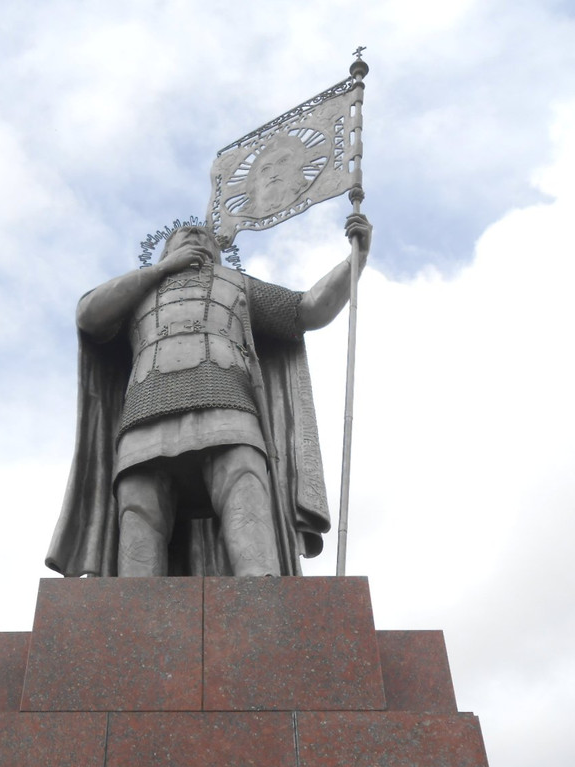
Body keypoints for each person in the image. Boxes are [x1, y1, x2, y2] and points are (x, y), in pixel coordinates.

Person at [47, 215, 372, 577]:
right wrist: (163, 271)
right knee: (139, 509)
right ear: (164, 251)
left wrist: (354, 261)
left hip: (227, 403)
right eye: (185, 235)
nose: (196, 237)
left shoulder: (237, 284)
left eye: (205, 236)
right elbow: (88, 316)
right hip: (146, 409)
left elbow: (306, 311)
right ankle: (135, 607)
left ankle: (263, 593)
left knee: (245, 485)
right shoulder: (135, 292)